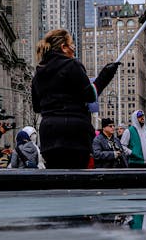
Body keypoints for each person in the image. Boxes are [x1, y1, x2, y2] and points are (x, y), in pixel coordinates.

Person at [31, 28, 120, 169]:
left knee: (56, 179)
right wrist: (105, 75)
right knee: (77, 179)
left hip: (49, 133)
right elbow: (90, 95)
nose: (74, 48)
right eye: (72, 44)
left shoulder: (39, 73)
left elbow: (37, 107)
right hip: (75, 134)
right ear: (64, 47)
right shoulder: (72, 65)